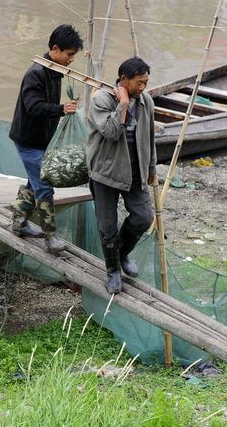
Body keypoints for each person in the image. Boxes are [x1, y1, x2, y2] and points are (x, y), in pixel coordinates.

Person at [8, 24, 83, 254]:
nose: (71, 60)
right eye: (69, 55)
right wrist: (61, 109)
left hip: (43, 141)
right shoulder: (36, 73)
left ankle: (19, 223)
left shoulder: (55, 71)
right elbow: (33, 107)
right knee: (44, 186)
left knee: (34, 182)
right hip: (28, 141)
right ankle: (50, 238)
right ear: (56, 49)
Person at [85, 57, 157, 294]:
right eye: (139, 82)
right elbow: (111, 132)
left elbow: (149, 137)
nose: (143, 87)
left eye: (145, 82)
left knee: (143, 217)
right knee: (107, 226)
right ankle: (113, 270)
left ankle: (122, 253)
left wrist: (151, 169)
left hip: (135, 171)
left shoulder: (146, 101)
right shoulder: (101, 100)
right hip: (105, 172)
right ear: (123, 80)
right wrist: (123, 105)